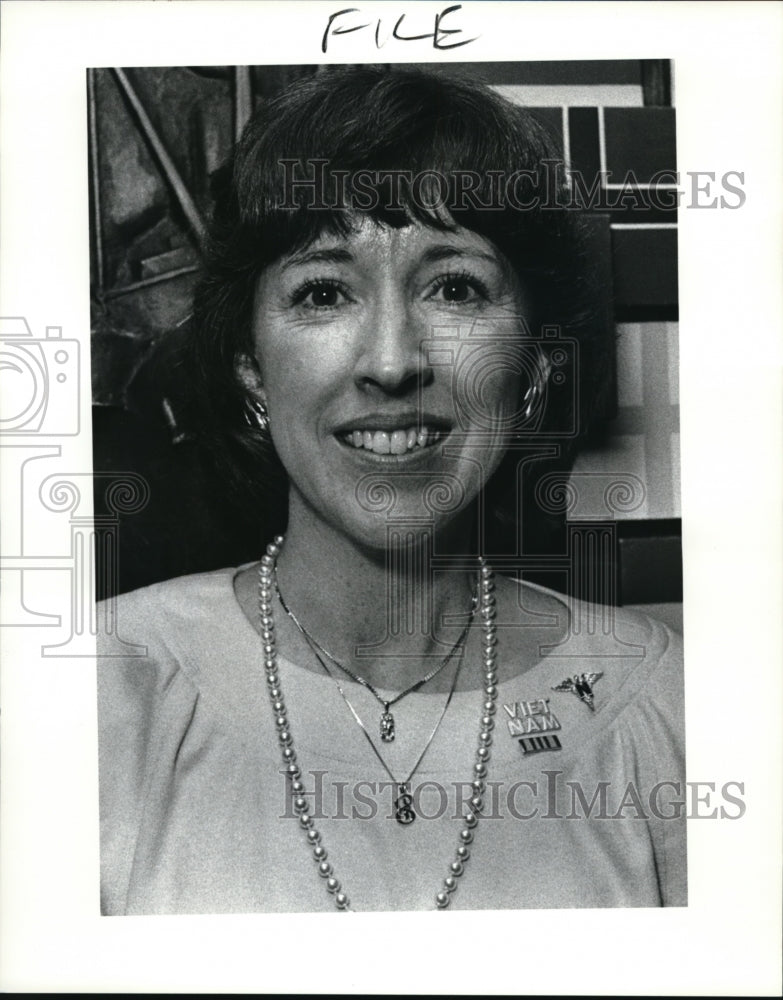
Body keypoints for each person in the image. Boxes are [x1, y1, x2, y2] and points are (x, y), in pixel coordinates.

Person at [97, 66, 686, 914]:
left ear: (531, 367)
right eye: (324, 292)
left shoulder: (667, 707)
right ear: (251, 371)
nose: (390, 362)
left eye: (454, 287)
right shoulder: (95, 693)